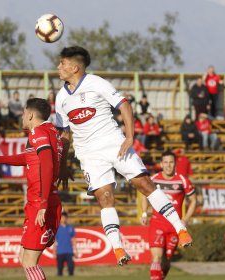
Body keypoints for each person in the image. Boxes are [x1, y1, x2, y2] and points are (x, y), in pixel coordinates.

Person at [55, 46, 192, 266]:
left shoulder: (97, 83)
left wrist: (129, 137)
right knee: (105, 198)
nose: (58, 67)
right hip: (89, 154)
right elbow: (64, 133)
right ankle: (118, 248)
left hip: (113, 143)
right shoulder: (61, 97)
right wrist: (62, 164)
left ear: (75, 67)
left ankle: (180, 228)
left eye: (62, 63)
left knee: (144, 184)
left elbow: (124, 105)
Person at [0, 98, 62, 280]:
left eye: (23, 113)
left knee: (30, 261)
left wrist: (43, 204)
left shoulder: (38, 132)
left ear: (29, 114)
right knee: (24, 257)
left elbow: (47, 166)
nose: (22, 117)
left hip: (41, 201)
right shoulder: (50, 131)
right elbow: (28, 159)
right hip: (38, 201)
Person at [141, 151, 197, 280]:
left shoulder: (183, 180)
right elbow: (145, 196)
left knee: (166, 260)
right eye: (165, 162)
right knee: (156, 258)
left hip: (174, 226)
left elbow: (194, 200)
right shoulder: (154, 179)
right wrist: (144, 213)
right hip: (157, 223)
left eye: (171, 162)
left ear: (175, 164)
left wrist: (186, 218)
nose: (168, 165)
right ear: (161, 164)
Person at [54, 212, 77, 277]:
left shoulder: (70, 227)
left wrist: (76, 250)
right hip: (60, 251)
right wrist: (54, 251)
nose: (63, 219)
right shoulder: (57, 228)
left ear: (67, 218)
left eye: (65, 217)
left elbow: (74, 239)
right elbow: (54, 240)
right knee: (60, 269)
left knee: (71, 268)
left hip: (69, 251)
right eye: (62, 217)